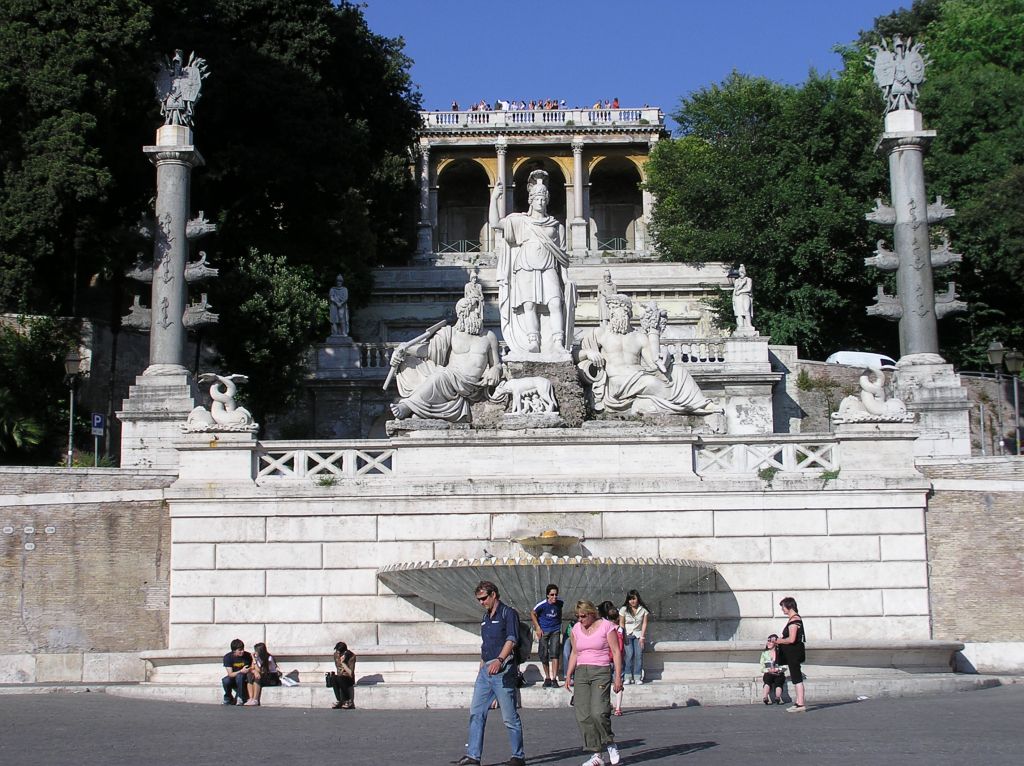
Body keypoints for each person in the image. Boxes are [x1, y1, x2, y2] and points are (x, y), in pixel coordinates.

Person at [579, 295, 721, 415]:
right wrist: (588, 353)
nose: (612, 313)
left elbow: (654, 363)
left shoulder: (639, 337)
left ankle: (700, 403)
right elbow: (575, 354)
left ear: (627, 311)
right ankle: (688, 404)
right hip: (617, 382)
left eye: (615, 308)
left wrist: (664, 355)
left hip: (640, 377)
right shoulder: (600, 333)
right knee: (651, 383)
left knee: (679, 371)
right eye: (610, 309)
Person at [490, 170, 576, 355]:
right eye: (537, 198)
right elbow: (495, 224)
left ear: (547, 200)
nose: (541, 202)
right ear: (531, 200)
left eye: (543, 199)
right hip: (525, 266)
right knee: (529, 305)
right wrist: (494, 198)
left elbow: (562, 257)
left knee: (555, 303)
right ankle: (533, 341)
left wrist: (566, 278)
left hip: (548, 266)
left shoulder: (556, 226)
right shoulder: (520, 221)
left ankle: (558, 342)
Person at [388, 297, 502, 422]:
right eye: (474, 310)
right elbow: (428, 350)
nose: (478, 314)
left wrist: (496, 369)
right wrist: (404, 349)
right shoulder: (451, 333)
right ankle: (414, 407)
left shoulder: (489, 336)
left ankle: (407, 406)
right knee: (416, 366)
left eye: (479, 311)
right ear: (462, 314)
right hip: (450, 376)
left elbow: (496, 364)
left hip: (471, 385)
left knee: (439, 376)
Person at [455, 581, 526, 766]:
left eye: (484, 598)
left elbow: (512, 639)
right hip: (486, 671)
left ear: (494, 594)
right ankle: (473, 756)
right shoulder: (485, 618)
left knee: (509, 717)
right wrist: (481, 669)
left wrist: (500, 660)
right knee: (476, 712)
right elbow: (485, 646)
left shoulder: (508, 613)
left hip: (503, 670)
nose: (481, 602)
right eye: (479, 599)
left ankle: (518, 756)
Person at [565, 600, 623, 766]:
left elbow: (616, 652)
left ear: (592, 613)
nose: (580, 620)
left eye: (583, 616)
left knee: (599, 712)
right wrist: (568, 674)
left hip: (601, 671)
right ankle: (596, 753)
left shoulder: (606, 626)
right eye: (577, 616)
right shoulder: (576, 629)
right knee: (582, 715)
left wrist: (617, 677)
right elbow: (575, 653)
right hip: (581, 672)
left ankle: (609, 742)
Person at [775, 596, 807, 712]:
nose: (782, 609)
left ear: (789, 606)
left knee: (796, 677)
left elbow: (792, 639)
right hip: (793, 653)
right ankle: (798, 702)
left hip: (794, 652)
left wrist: (779, 641)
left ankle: (800, 703)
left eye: (783, 607)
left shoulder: (794, 620)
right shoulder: (794, 619)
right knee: (795, 677)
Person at [530, 583, 564, 688]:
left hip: (555, 630)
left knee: (555, 653)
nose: (554, 597)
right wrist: (537, 627)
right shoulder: (542, 605)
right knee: (543, 654)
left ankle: (554, 679)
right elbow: (532, 613)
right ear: (547, 595)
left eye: (555, 595)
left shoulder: (560, 603)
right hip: (544, 631)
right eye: (552, 595)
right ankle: (547, 677)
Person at [599, 601, 625, 716]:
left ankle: (608, 704)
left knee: (607, 683)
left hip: (607, 658)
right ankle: (618, 708)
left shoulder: (607, 629)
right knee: (618, 682)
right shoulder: (620, 629)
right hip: (618, 659)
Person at [619, 590, 649, 684]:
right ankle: (627, 676)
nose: (632, 601)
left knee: (639, 655)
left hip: (638, 635)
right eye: (630, 599)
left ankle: (637, 677)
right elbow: (621, 623)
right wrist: (623, 634)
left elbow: (644, 623)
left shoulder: (643, 610)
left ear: (637, 598)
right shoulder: (623, 609)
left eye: (634, 598)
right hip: (627, 634)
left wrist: (642, 637)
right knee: (629, 655)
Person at [244, 642, 280, 706]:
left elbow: (261, 671)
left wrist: (254, 661)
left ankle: (255, 699)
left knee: (257, 677)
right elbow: (252, 668)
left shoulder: (269, 658)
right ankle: (251, 698)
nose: (255, 652)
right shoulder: (257, 657)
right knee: (249, 675)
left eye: (256, 651)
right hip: (262, 675)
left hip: (271, 677)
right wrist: (253, 669)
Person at [221, 638, 252, 706]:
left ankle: (240, 698)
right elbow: (230, 674)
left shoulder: (248, 656)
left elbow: (252, 667)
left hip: (244, 679)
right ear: (234, 651)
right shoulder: (228, 657)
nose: (242, 651)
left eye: (243, 649)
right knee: (225, 680)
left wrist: (248, 670)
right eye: (240, 650)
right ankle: (228, 697)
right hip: (234, 677)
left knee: (240, 676)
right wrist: (241, 670)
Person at [330, 641, 357, 709]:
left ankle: (348, 701)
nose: (338, 654)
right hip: (340, 676)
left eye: (339, 653)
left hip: (348, 678)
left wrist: (343, 663)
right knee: (333, 678)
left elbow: (350, 673)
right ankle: (339, 700)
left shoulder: (351, 656)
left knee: (340, 679)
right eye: (337, 652)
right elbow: (338, 668)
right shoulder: (336, 654)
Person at [760, 634, 785, 705]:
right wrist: (769, 670)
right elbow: (762, 667)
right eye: (768, 641)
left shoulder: (780, 653)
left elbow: (785, 666)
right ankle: (773, 697)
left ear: (776, 643)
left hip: (777, 673)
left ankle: (773, 697)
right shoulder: (764, 653)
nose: (768, 643)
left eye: (770, 641)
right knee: (772, 682)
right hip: (770, 672)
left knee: (775, 682)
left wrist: (777, 670)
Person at [730, 264, 754, 336]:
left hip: (746, 296)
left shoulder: (748, 279)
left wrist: (740, 291)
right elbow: (736, 289)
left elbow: (749, 289)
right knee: (739, 312)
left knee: (746, 310)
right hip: (738, 297)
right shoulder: (737, 280)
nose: (741, 274)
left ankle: (749, 325)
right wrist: (741, 285)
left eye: (742, 272)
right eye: (740, 273)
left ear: (745, 272)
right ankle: (740, 325)